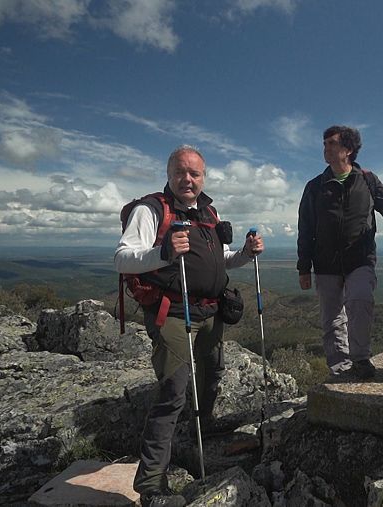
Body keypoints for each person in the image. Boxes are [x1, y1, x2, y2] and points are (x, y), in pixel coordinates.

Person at [115, 145, 264, 507]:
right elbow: (122, 257)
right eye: (181, 172)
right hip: (173, 312)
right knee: (172, 392)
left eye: (195, 173)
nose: (188, 179)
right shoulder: (151, 210)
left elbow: (219, 261)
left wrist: (245, 254)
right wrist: (163, 252)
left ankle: (205, 420)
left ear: (203, 178)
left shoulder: (208, 213)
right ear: (169, 174)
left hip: (209, 312)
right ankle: (151, 485)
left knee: (212, 372)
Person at [297, 125, 383, 379]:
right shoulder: (315, 186)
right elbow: (305, 228)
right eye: (324, 143)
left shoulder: (367, 180)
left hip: (360, 260)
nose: (326, 148)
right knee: (332, 318)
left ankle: (360, 358)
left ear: (348, 150)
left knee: (360, 300)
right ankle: (340, 368)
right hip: (325, 263)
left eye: (332, 143)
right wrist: (303, 267)